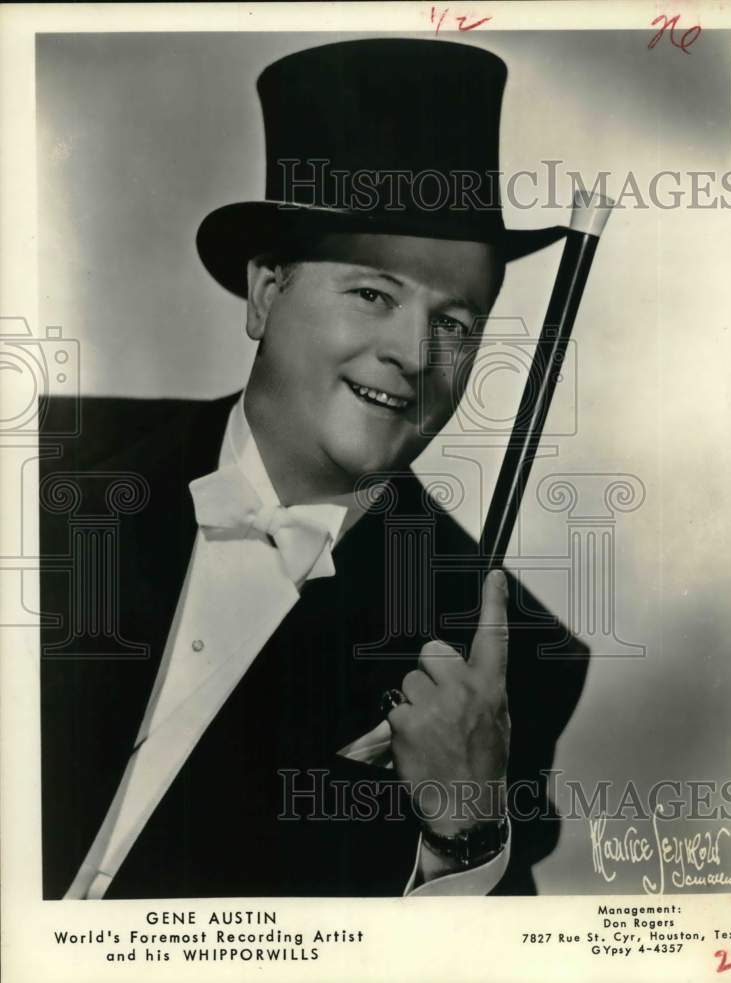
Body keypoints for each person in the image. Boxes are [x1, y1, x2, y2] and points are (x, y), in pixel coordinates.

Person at [39, 37, 589, 899]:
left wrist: (464, 829)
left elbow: (488, 957)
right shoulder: (42, 460)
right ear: (267, 292)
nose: (415, 354)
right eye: (373, 294)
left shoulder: (516, 657)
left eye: (456, 322)